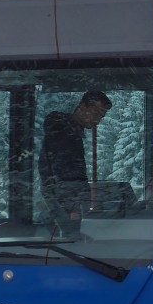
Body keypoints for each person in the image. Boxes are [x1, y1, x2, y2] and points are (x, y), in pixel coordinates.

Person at [38, 90, 112, 235]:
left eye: (101, 117)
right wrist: (71, 208)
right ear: (82, 107)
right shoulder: (64, 132)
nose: (98, 120)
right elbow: (63, 173)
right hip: (63, 204)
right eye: (96, 114)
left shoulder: (71, 131)